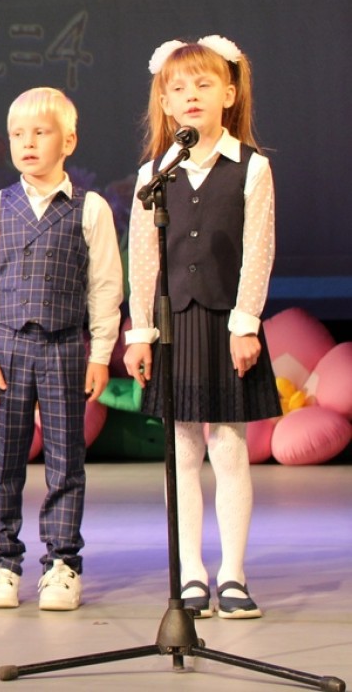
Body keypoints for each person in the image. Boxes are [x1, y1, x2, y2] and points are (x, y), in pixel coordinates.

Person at [124, 35, 278, 620]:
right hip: (175, 326)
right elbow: (144, 258)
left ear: (229, 94)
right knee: (181, 450)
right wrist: (140, 332)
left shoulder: (251, 167)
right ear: (164, 102)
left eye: (204, 84)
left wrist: (246, 323)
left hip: (226, 322)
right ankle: (191, 571)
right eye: (179, 87)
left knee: (229, 447)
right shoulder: (155, 173)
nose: (191, 95)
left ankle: (234, 573)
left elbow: (258, 250)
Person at [0, 88, 123, 611]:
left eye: (40, 132)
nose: (27, 143)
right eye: (17, 135)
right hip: (7, 349)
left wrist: (101, 353)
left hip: (64, 346)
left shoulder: (89, 208)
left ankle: (62, 563)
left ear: (68, 141)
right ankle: (2, 562)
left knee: (65, 461)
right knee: (5, 460)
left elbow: (105, 287)